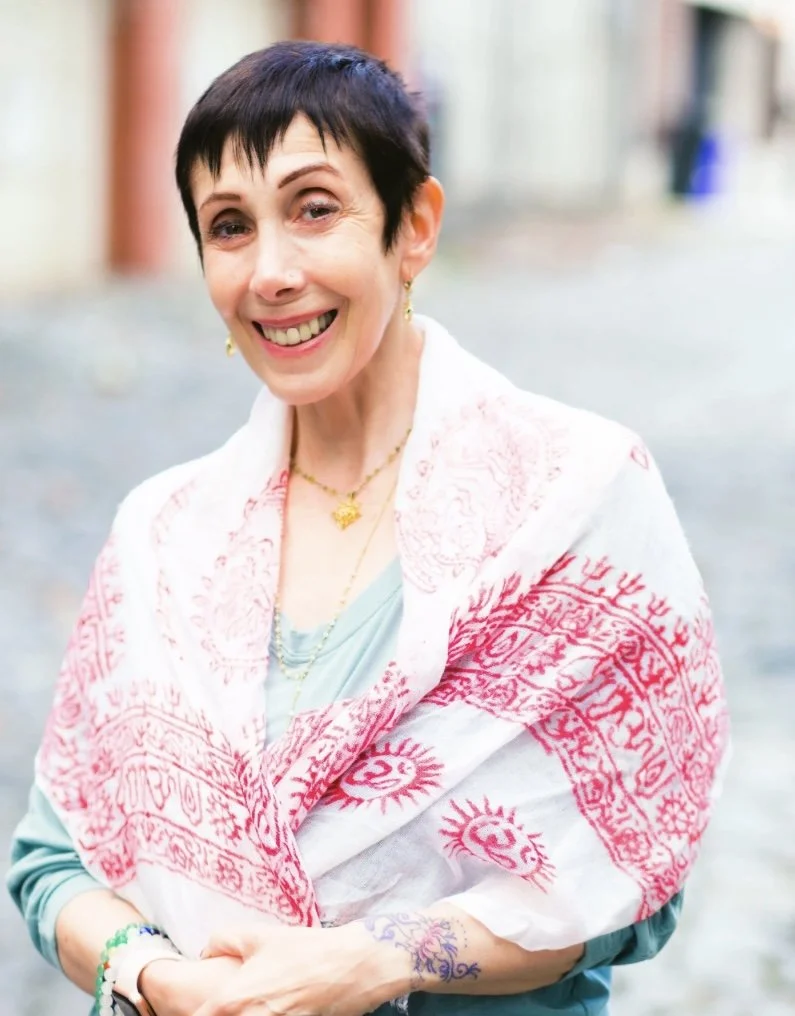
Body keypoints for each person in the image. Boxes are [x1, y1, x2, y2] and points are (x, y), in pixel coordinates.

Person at [7, 41, 729, 1016]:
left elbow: (632, 877)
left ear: (414, 225)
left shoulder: (575, 500)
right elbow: (53, 859)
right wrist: (158, 977)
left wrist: (379, 956)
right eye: (229, 226)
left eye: (314, 209)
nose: (271, 271)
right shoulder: (164, 536)